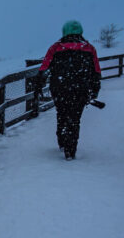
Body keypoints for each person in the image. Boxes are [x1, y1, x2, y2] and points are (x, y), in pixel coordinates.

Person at [38, 20, 101, 160]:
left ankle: (62, 141)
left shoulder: (55, 48)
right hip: (81, 89)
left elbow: (44, 68)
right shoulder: (89, 48)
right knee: (75, 118)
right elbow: (96, 71)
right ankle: (70, 149)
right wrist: (95, 89)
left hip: (59, 88)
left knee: (62, 114)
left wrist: (39, 85)